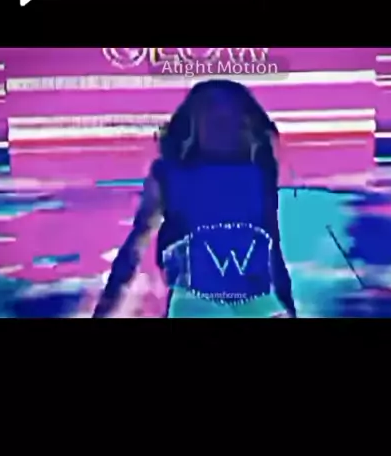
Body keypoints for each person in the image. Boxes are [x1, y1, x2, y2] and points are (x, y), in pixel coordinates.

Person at [93, 80, 296, 319]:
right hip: (198, 302)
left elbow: (273, 246)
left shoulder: (259, 173)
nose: (223, 127)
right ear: (194, 124)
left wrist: (288, 306)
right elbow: (135, 246)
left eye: (230, 119)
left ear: (246, 125)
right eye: (215, 118)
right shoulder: (170, 174)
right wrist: (107, 306)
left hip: (250, 302)